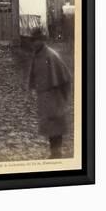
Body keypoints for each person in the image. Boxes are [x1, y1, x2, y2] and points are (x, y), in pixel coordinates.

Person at [28, 27, 72, 158]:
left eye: (37, 40)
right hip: (44, 96)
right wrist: (31, 88)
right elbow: (33, 73)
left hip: (54, 95)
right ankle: (54, 152)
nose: (34, 43)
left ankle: (56, 153)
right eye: (33, 41)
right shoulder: (37, 55)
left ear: (41, 41)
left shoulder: (51, 55)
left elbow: (65, 77)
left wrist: (64, 98)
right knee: (49, 125)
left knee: (56, 125)